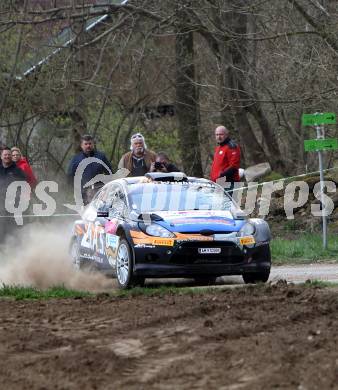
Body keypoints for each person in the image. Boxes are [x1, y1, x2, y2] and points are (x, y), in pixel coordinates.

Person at [67, 134, 112, 205]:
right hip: (83, 193)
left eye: (90, 143)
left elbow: (110, 173)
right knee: (86, 214)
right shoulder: (76, 159)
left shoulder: (101, 157)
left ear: (93, 144)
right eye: (86, 144)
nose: (88, 146)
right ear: (81, 146)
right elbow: (70, 176)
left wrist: (107, 189)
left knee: (101, 213)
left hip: (100, 191)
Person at [0, 147, 28, 242]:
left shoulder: (17, 170)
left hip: (13, 205)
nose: (7, 156)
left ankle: (14, 246)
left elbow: (24, 185)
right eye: (5, 155)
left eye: (9, 155)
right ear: (1, 156)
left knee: (13, 227)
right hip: (0, 203)